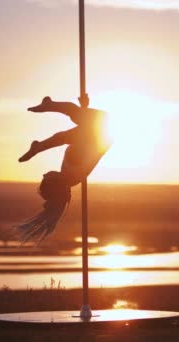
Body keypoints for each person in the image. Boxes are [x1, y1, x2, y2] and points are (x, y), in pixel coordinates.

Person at [13, 96, 111, 244]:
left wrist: (83, 110)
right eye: (46, 178)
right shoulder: (73, 168)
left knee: (73, 119)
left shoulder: (69, 177)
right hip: (101, 128)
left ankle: (50, 114)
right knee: (72, 115)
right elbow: (68, 139)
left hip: (97, 131)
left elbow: (74, 139)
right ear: (55, 183)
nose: (45, 174)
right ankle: (50, 108)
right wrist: (81, 112)